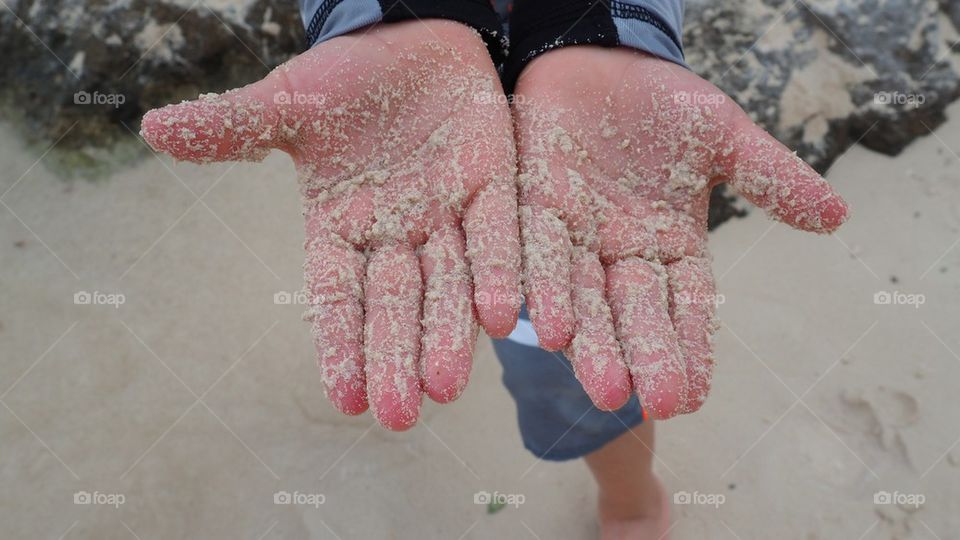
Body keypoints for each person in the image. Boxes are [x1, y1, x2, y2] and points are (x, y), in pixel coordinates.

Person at [141, 1, 848, 537]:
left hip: (591, 137)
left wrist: (605, 27)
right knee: (403, 288)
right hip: (404, 119)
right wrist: (388, 15)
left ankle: (631, 504)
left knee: (579, 354)